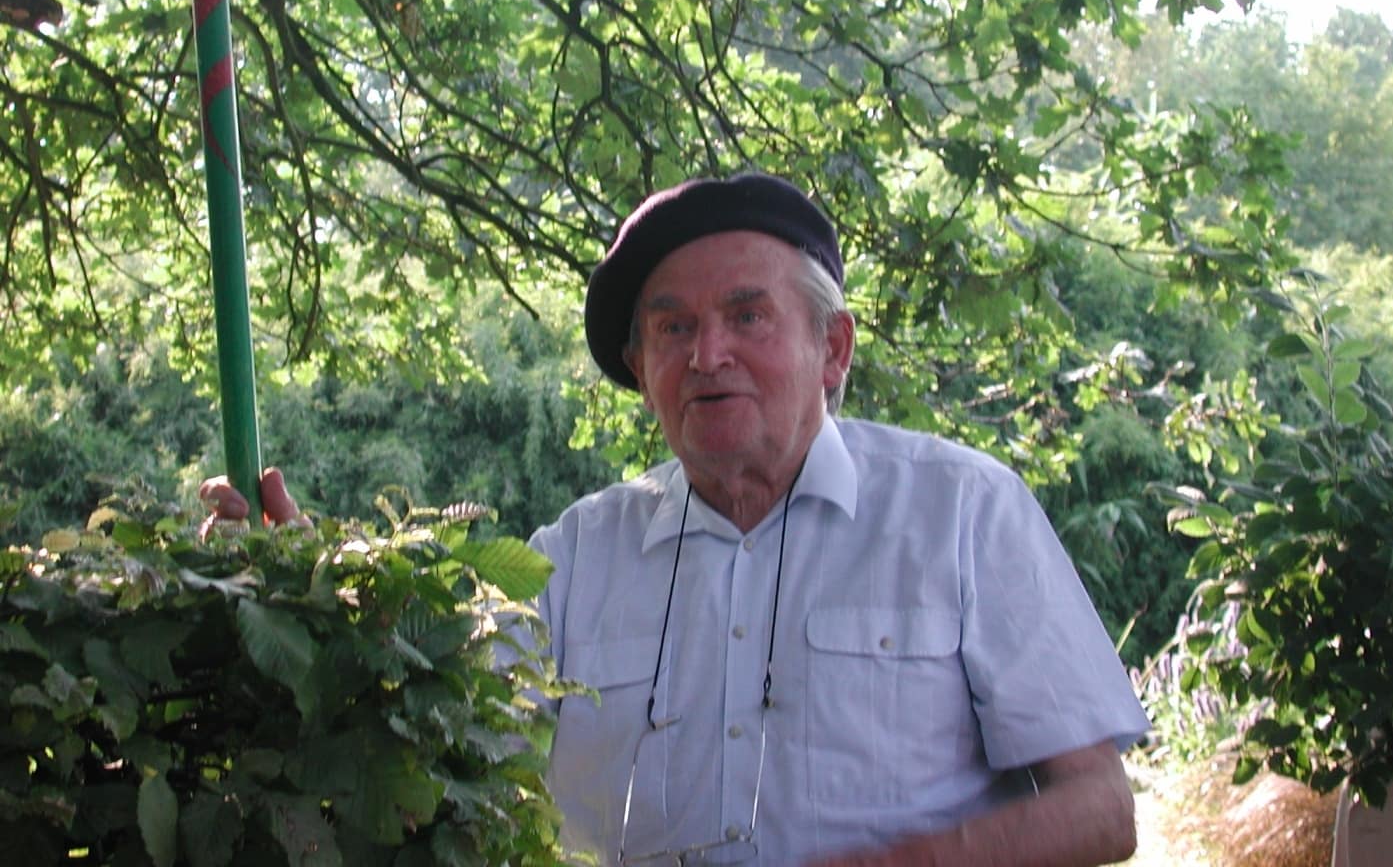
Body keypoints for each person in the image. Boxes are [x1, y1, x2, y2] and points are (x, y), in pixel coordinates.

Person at [204, 173, 1150, 866]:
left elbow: (1101, 812)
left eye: (747, 317)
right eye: (672, 328)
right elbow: (422, 720)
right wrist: (308, 595)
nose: (707, 355)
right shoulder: (572, 556)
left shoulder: (959, 511)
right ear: (642, 368)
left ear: (832, 347)